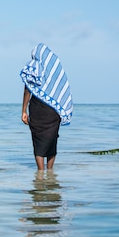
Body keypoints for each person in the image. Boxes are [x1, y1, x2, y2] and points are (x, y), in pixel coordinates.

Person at [20, 43, 73, 171]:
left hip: (37, 108)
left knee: (37, 139)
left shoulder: (33, 66)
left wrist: (24, 110)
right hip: (54, 110)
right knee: (52, 139)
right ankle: (50, 171)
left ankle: (40, 170)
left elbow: (28, 88)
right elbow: (62, 88)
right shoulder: (55, 68)